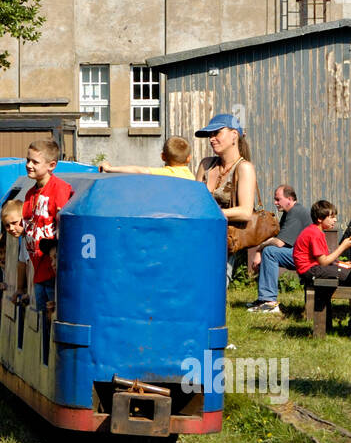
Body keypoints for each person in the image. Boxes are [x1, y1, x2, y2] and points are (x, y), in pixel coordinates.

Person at [195, 114, 257, 283]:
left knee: (214, 286)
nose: (211, 139)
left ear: (234, 135)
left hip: (224, 240)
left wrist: (211, 213)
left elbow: (245, 212)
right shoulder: (206, 164)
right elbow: (194, 201)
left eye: (217, 133)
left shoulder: (244, 168)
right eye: (210, 135)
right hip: (199, 235)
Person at [22, 137, 72, 311]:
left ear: (51, 165)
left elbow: (66, 229)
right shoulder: (30, 194)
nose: (29, 165)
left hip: (51, 272)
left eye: (35, 162)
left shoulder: (60, 190)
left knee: (52, 317)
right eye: (28, 160)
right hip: (38, 271)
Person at [247, 185, 311, 315]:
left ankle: (269, 302)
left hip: (308, 258)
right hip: (300, 254)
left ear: (290, 198)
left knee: (270, 252)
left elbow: (279, 242)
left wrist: (259, 250)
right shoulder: (288, 213)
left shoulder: (296, 212)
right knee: (269, 251)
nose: (275, 203)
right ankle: (264, 300)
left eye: (278, 199)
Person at [292, 200, 351, 286]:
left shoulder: (316, 231)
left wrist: (343, 264)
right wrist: (343, 247)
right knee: (348, 275)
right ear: (320, 218)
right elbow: (323, 262)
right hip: (309, 270)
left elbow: (324, 259)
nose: (335, 220)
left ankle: (324, 299)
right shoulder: (314, 233)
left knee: (346, 270)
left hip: (313, 268)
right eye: (332, 217)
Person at [99, 136, 194, 178]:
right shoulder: (191, 177)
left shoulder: (166, 173)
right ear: (189, 158)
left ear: (163, 157)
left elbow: (139, 171)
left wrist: (109, 169)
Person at [0, 198, 29, 306]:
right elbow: (21, 264)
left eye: (14, 223)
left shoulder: (31, 238)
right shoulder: (25, 239)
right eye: (7, 225)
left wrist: (28, 290)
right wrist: (19, 289)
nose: (11, 228)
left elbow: (29, 264)